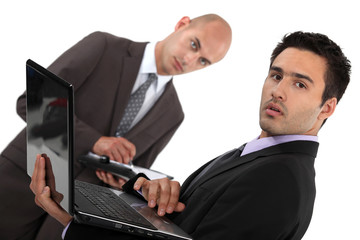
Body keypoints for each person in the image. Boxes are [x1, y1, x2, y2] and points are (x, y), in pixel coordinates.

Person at [30, 31, 351, 239]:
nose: (278, 91)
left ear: (327, 108)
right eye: (276, 75)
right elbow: (188, 226)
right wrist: (153, 197)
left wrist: (70, 220)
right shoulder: (261, 153)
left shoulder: (281, 180)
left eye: (300, 84)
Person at [0, 14, 232, 240]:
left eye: (203, 61)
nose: (189, 60)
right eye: (193, 45)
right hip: (20, 182)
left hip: (71, 217)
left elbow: (136, 175)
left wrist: (124, 181)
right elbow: (33, 102)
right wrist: (95, 141)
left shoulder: (173, 114)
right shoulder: (104, 46)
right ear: (182, 24)